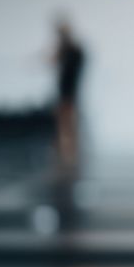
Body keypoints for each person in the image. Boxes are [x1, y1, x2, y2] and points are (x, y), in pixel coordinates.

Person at [51, 16, 85, 170]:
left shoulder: (72, 50)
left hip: (69, 94)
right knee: (67, 127)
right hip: (67, 93)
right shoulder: (71, 50)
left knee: (67, 128)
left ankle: (69, 159)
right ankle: (68, 158)